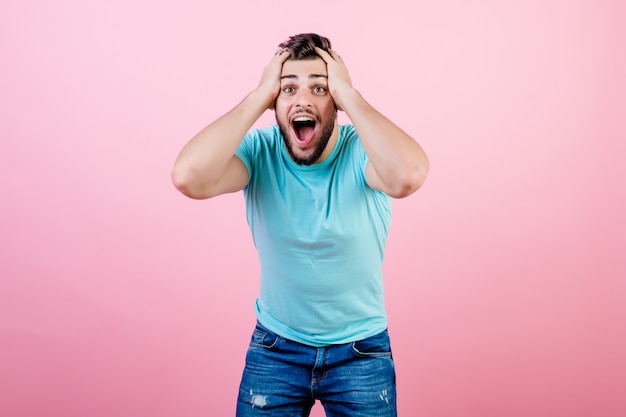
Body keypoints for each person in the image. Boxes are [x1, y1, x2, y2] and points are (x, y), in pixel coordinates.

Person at [171, 33, 429, 417]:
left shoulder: (363, 151)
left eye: (320, 88)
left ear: (337, 101)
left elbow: (407, 176)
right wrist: (259, 95)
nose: (303, 99)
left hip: (361, 352)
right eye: (288, 88)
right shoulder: (260, 152)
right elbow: (189, 177)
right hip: (277, 349)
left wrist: (350, 94)